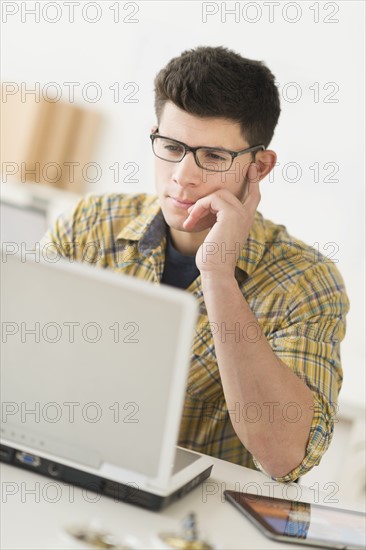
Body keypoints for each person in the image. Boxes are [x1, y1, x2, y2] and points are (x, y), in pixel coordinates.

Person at [42, 46, 349, 483]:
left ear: (259, 167)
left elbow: (286, 455)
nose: (184, 176)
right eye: (171, 147)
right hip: (60, 474)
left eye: (213, 156)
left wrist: (219, 276)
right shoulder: (88, 227)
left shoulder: (306, 282)